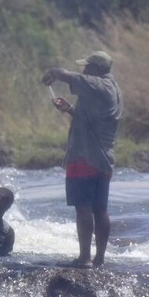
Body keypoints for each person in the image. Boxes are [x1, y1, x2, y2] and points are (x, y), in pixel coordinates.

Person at [41, 51, 122, 268]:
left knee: (83, 208)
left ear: (96, 69)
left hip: (84, 158)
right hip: (104, 160)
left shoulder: (97, 84)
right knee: (100, 210)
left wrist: (54, 72)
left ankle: (84, 258)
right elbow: (92, 121)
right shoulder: (114, 89)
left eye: (87, 67)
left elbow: (68, 75)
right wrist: (69, 109)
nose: (84, 70)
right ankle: (99, 259)